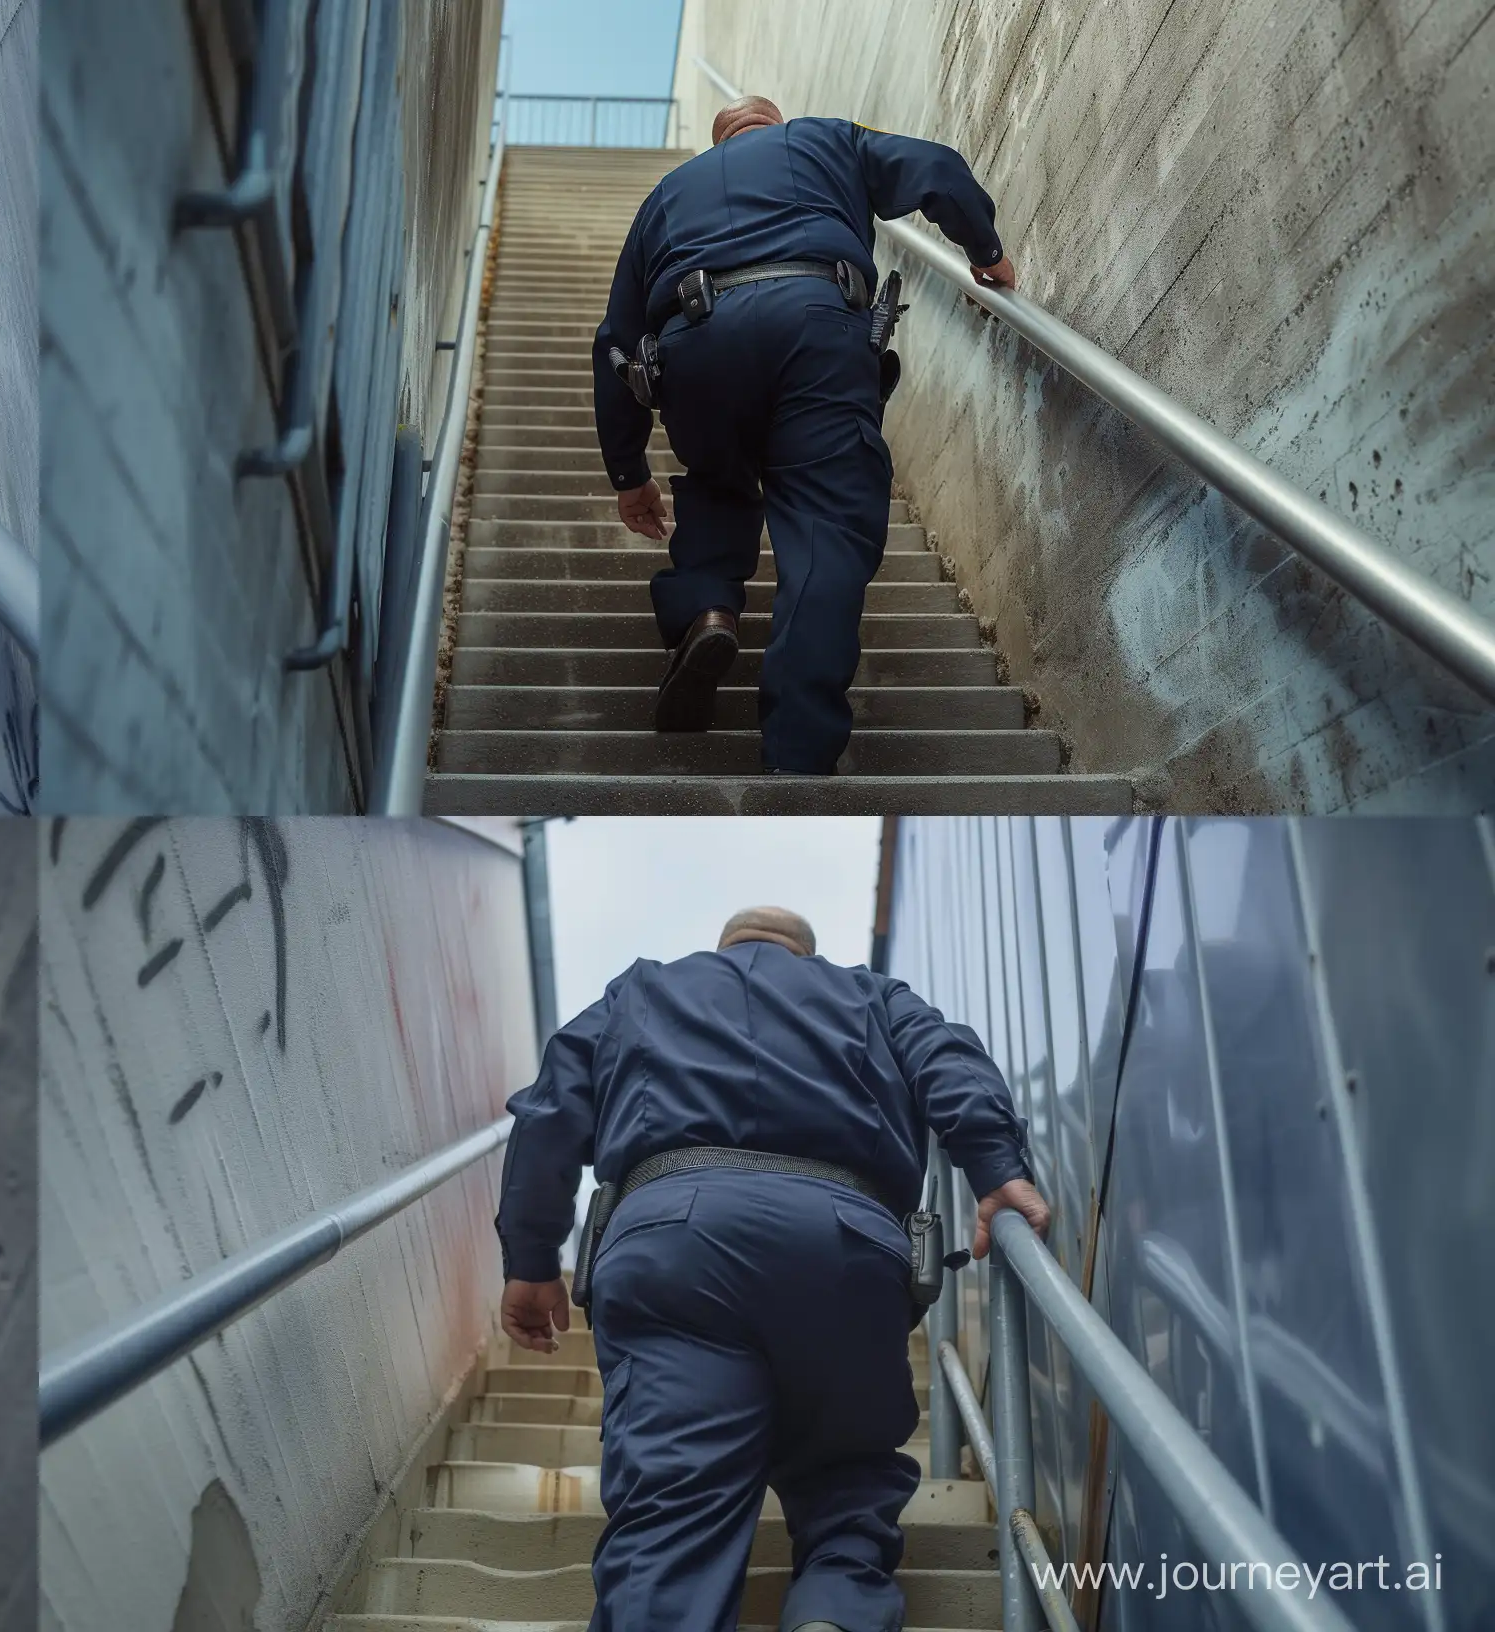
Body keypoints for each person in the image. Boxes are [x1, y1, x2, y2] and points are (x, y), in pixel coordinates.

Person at [494, 906, 1051, 1632]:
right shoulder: (876, 996)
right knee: (846, 1477)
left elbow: (549, 1112)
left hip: (676, 1245)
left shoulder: (640, 992)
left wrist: (532, 1259)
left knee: (672, 1509)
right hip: (844, 1244)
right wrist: (996, 1169)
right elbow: (948, 1060)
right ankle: (835, 1609)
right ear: (806, 952)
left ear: (724, 944)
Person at [593, 96, 1018, 775]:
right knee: (826, 527)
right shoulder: (825, 141)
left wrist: (628, 472)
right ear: (775, 120)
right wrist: (986, 249)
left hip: (695, 348)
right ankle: (796, 750)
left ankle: (707, 611)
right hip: (815, 325)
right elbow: (935, 169)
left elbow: (614, 343)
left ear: (717, 140)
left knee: (718, 484)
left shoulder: (666, 197)